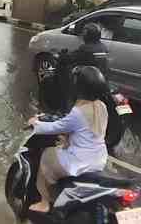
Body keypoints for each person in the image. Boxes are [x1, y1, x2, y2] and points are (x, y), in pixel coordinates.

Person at [26, 65, 109, 214]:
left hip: (80, 162)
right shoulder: (102, 106)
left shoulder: (78, 112)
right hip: (100, 160)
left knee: (47, 155)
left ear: (79, 87)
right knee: (62, 147)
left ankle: (44, 202)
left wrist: (35, 123)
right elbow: (84, 132)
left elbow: (55, 127)